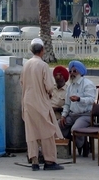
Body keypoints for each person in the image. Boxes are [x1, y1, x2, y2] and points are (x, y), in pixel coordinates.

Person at [20, 38, 64, 171]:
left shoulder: (26, 64)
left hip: (27, 102)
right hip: (41, 102)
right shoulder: (43, 65)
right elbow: (50, 86)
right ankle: (49, 161)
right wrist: (49, 93)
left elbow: (22, 82)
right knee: (47, 132)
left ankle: (34, 161)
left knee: (31, 132)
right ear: (42, 50)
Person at [59, 60, 96, 157]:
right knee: (59, 125)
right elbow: (67, 104)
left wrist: (79, 99)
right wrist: (63, 116)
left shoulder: (88, 84)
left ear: (80, 72)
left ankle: (82, 144)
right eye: (70, 71)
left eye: (74, 71)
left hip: (85, 115)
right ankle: (72, 145)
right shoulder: (70, 86)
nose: (72, 74)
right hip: (72, 115)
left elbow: (91, 100)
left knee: (75, 129)